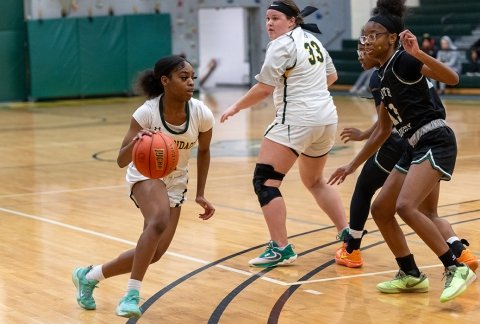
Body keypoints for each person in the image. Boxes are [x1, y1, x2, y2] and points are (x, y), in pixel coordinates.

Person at [328, 0, 476, 303]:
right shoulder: (378, 77)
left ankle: (455, 267)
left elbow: (453, 78)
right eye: (364, 35)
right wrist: (352, 165)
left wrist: (419, 53)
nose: (367, 40)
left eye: (374, 34)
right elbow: (383, 128)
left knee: (407, 207)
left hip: (435, 139)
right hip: (412, 147)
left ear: (392, 37)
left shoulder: (403, 61)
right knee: (381, 209)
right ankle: (410, 273)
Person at [72, 55, 216, 318]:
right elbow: (120, 160)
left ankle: (89, 275)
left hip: (176, 181)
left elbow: (204, 151)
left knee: (155, 253)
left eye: (192, 78)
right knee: (159, 220)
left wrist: (201, 193)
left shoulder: (201, 113)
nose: (191, 83)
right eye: (184, 78)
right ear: (165, 81)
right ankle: (131, 294)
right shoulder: (146, 112)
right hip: (145, 174)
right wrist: (136, 142)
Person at [220, 0, 348, 268]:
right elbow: (332, 76)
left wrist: (235, 106)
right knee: (315, 181)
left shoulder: (281, 45)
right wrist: (309, 92)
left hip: (297, 121)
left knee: (265, 182)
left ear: (291, 21)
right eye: (267, 18)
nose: (269, 23)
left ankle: (281, 248)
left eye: (275, 18)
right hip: (326, 119)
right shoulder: (312, 41)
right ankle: (348, 234)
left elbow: (264, 89)